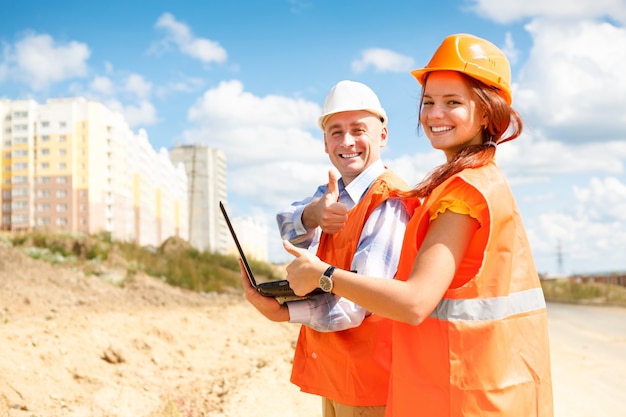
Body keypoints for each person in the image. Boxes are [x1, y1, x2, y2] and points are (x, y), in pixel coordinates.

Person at [283, 34, 554, 416]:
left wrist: (323, 274)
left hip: (469, 393)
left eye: (453, 103)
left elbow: (415, 302)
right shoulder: (473, 180)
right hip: (473, 384)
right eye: (428, 102)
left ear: (487, 113)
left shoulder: (465, 193)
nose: (434, 114)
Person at [240, 80, 414, 417]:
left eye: (358, 129)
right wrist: (313, 214)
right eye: (336, 131)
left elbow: (357, 303)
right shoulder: (335, 192)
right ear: (324, 143)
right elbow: (286, 225)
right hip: (340, 374)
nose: (347, 141)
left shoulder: (387, 200)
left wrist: (285, 312)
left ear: (383, 135)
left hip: (372, 383)